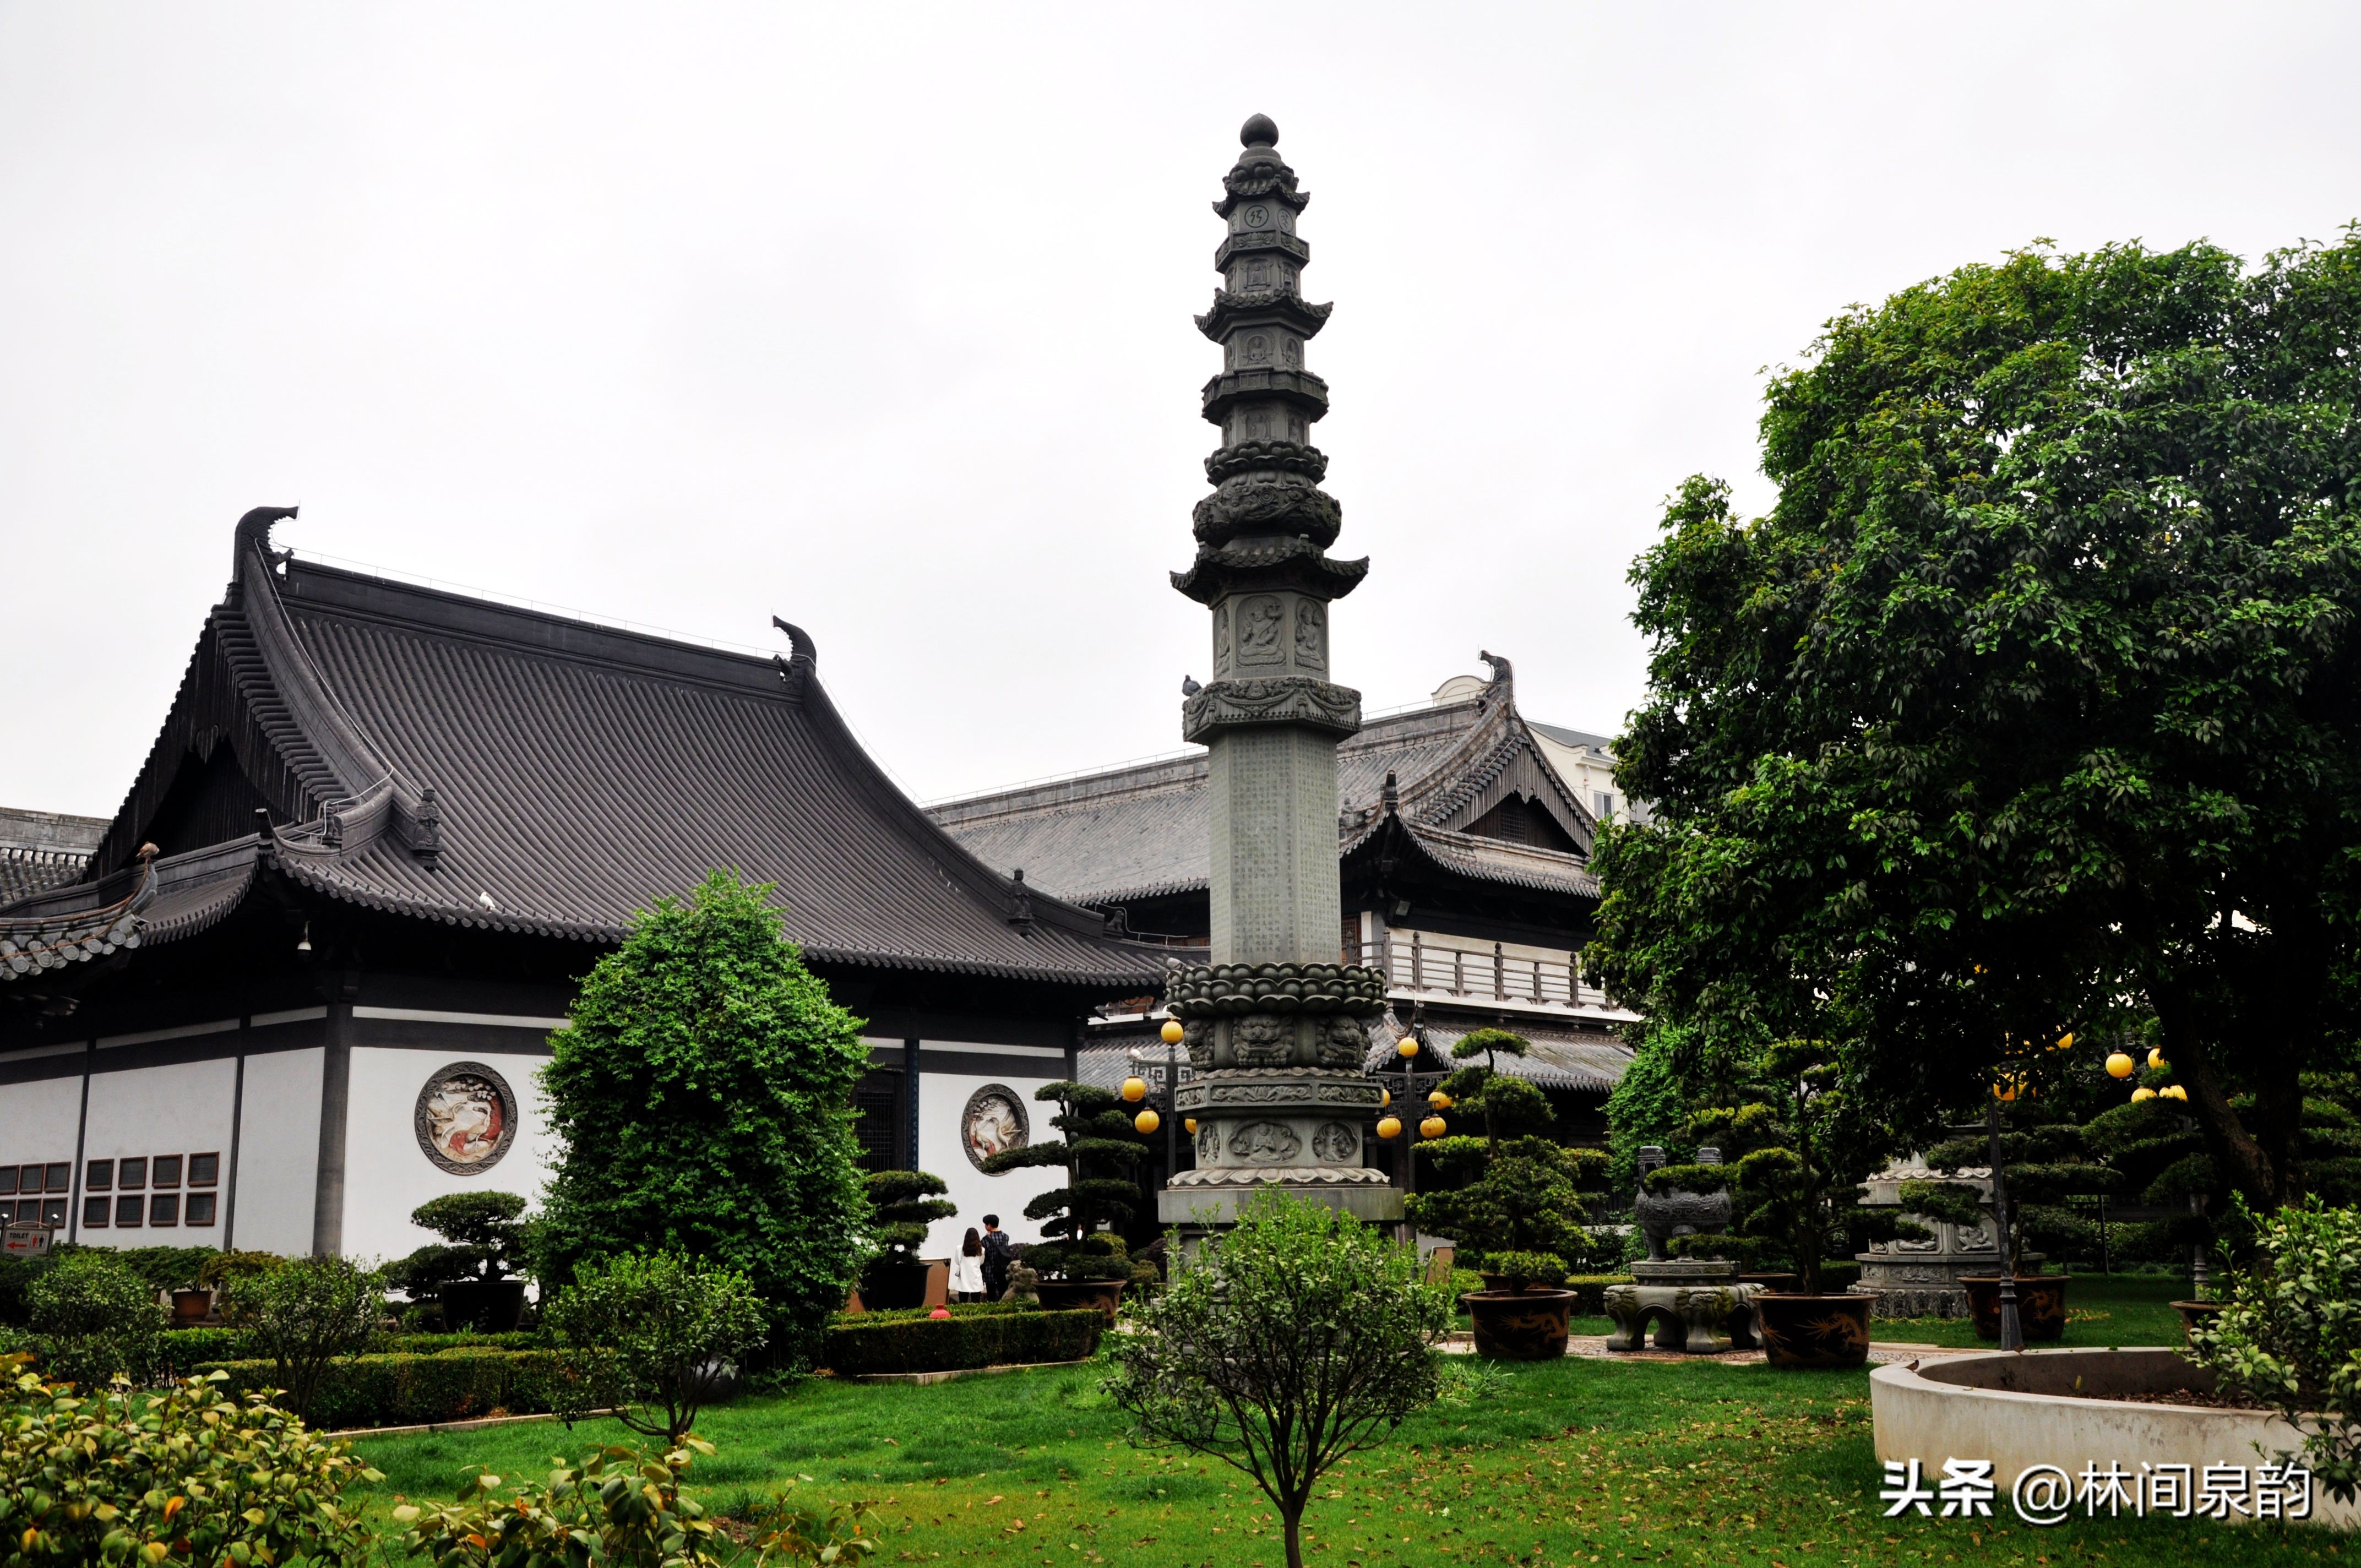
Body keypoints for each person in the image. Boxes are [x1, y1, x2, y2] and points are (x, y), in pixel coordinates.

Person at [980, 1213, 1014, 1301]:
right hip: (1003, 1270)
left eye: (985, 1224)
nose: (985, 1226)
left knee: (991, 1296)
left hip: (990, 1271)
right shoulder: (1006, 1237)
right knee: (1003, 1295)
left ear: (989, 1225)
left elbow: (984, 1255)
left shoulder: (985, 1240)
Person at [950, 1227, 986, 1303]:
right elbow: (981, 1262)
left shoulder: (959, 1249)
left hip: (963, 1279)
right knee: (976, 1303)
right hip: (976, 1279)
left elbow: (957, 1261)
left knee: (963, 1302)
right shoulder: (982, 1250)